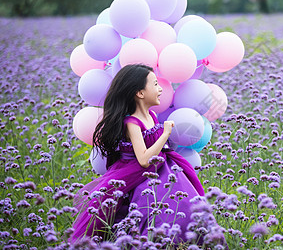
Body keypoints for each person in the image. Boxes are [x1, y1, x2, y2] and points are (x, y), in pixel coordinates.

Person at [70, 64, 205, 244]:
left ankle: (187, 240)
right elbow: (143, 159)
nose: (160, 89)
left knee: (185, 204)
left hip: (162, 167)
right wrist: (165, 134)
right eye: (155, 84)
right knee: (146, 210)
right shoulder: (132, 123)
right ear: (140, 93)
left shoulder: (151, 115)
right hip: (137, 173)